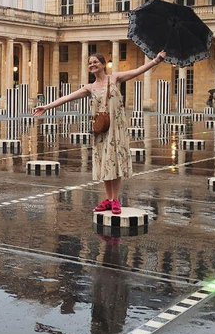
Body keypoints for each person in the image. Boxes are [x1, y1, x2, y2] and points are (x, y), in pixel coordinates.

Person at [33, 51, 166, 214]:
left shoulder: (115, 78)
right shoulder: (89, 87)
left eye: (95, 62)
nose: (92, 64)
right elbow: (67, 97)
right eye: (90, 63)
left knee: (115, 162)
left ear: (103, 64)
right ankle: (108, 199)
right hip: (101, 129)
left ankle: (114, 199)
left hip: (116, 128)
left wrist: (156, 60)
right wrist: (46, 107)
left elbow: (138, 70)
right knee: (105, 162)